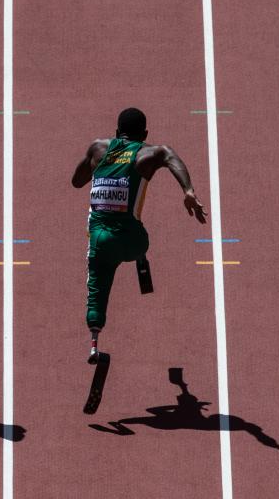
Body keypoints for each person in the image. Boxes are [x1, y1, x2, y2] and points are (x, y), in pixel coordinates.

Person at [70, 107, 205, 362]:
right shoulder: (145, 154)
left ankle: (94, 341)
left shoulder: (98, 149)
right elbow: (168, 154)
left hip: (99, 240)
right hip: (132, 241)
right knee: (141, 241)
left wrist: (97, 167)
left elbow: (76, 182)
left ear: (116, 132)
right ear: (144, 133)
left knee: (97, 287)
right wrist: (187, 189)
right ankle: (141, 257)